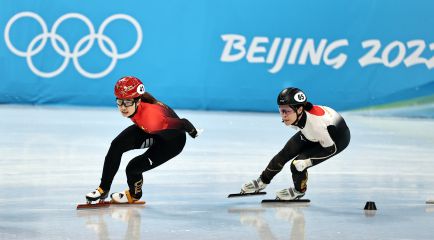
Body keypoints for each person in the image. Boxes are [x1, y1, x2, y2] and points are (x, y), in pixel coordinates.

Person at [85, 76, 199, 203]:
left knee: (133, 168)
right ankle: (103, 189)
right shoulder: (139, 101)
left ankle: (134, 195)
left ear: (138, 101)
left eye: (127, 102)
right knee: (117, 145)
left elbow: (183, 123)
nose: (123, 107)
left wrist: (193, 132)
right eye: (120, 101)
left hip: (171, 143)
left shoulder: (153, 119)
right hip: (149, 130)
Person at [241, 87, 350, 200]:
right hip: (313, 133)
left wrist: (307, 162)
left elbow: (330, 149)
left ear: (299, 110)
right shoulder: (300, 116)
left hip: (336, 140)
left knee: (298, 164)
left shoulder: (316, 125)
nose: (283, 115)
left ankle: (299, 191)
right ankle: (262, 182)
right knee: (284, 154)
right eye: (281, 110)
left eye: (286, 111)